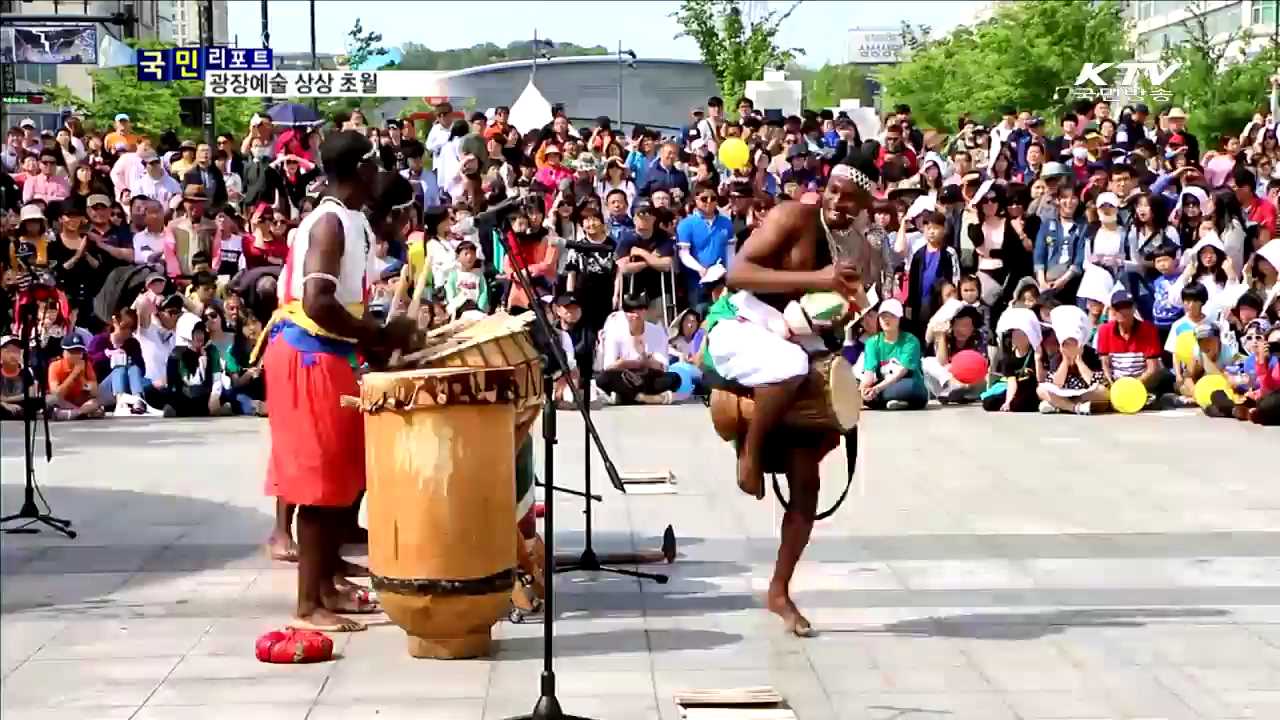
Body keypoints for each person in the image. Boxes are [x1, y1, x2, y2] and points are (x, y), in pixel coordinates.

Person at [700, 157, 878, 637]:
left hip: (795, 336)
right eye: (836, 192)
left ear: (865, 207)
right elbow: (737, 274)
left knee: (808, 486)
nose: (841, 205)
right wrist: (817, 281)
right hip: (741, 324)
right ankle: (750, 456)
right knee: (790, 366)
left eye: (853, 200)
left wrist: (845, 310)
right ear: (826, 187)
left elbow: (840, 310)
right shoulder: (790, 217)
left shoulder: (856, 244)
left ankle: (779, 590)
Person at [258, 131, 418, 633]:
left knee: (337, 482)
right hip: (308, 357)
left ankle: (326, 583)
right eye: (376, 166)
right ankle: (309, 603)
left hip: (329, 354)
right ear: (363, 169)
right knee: (321, 488)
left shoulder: (349, 220)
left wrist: (376, 343)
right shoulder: (329, 222)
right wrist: (380, 332)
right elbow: (317, 303)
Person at [595, 294, 680, 405]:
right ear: (624, 313)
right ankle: (644, 398)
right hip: (625, 377)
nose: (635, 314)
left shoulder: (657, 331)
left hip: (648, 377)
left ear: (645, 311)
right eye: (630, 311)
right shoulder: (615, 331)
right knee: (603, 379)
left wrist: (643, 357)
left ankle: (626, 397)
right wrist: (636, 363)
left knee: (674, 378)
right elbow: (609, 366)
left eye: (639, 309)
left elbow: (662, 366)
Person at [861, 298, 930, 409]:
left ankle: (895, 401)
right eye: (883, 316)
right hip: (882, 385)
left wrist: (877, 389)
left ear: (899, 318)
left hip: (904, 383)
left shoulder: (910, 341)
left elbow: (901, 372)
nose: (886, 320)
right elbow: (869, 371)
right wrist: (864, 388)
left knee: (909, 387)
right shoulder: (872, 342)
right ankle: (894, 402)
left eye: (892, 316)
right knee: (866, 394)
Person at [983, 307, 1045, 412]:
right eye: (1015, 334)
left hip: (1032, 388)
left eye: (1022, 334)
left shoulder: (1036, 353)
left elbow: (1041, 380)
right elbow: (1011, 381)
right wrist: (1008, 401)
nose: (1018, 337)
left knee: (1018, 404)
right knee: (989, 402)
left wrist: (1038, 360)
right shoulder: (1009, 357)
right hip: (1016, 388)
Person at [46, 335, 102, 420]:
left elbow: (94, 392)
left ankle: (74, 413)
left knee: (94, 403)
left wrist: (81, 377)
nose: (76, 355)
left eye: (79, 352)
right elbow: (57, 393)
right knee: (50, 399)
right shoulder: (55, 366)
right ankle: (82, 413)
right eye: (72, 352)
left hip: (79, 402)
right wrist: (73, 374)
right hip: (63, 402)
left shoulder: (86, 365)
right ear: (64, 353)